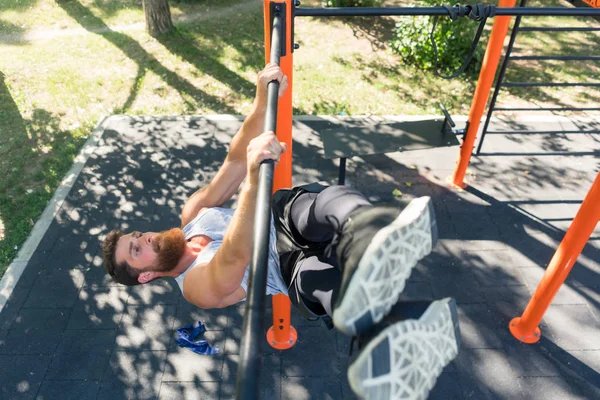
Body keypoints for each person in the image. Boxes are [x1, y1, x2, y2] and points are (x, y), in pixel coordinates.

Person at [101, 63, 461, 400]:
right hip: (285, 268)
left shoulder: (193, 213)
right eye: (136, 250)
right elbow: (237, 254)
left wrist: (261, 101)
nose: (144, 238)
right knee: (319, 285)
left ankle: (372, 238)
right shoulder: (195, 290)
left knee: (325, 204)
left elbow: (237, 160)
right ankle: (392, 338)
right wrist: (254, 182)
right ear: (147, 275)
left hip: (283, 219)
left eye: (137, 236)